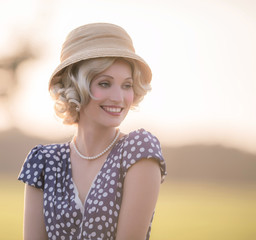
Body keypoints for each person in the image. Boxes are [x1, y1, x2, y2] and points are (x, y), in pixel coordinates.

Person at [18, 23, 167, 240]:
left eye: (127, 85)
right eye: (105, 83)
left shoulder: (138, 152)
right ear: (76, 86)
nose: (118, 97)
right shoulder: (44, 162)